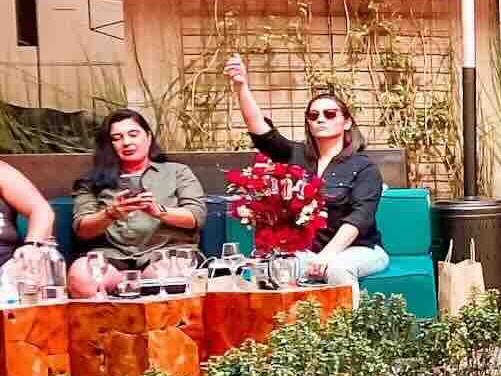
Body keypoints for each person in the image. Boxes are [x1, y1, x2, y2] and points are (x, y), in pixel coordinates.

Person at [224, 55, 389, 289]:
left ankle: (345, 326)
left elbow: (359, 219)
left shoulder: (363, 167)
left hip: (359, 250)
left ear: (347, 122)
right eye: (314, 115)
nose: (321, 119)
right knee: (272, 267)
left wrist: (327, 256)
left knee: (337, 268)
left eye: (330, 114)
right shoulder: (296, 156)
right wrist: (241, 86)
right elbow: (261, 133)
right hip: (309, 251)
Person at [69, 110, 206, 274]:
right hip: (111, 256)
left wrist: (158, 211)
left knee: (160, 276)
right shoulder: (90, 182)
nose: (126, 142)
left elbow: (195, 217)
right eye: (116, 138)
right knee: (81, 277)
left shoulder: (177, 172)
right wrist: (110, 214)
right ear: (109, 145)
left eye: (133, 134)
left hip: (169, 253)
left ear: (148, 137)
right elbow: (82, 230)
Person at [0, 156, 57, 280]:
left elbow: (41, 210)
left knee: (32, 268)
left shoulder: (2, 172)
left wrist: (32, 245)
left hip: (6, 266)